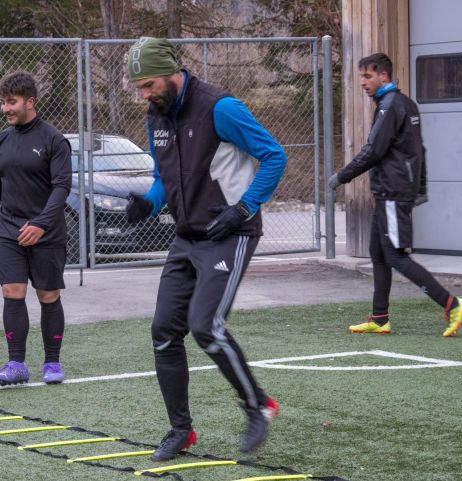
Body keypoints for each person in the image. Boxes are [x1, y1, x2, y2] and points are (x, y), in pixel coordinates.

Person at [124, 37, 287, 460]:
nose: (144, 94)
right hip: (186, 237)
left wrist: (243, 208)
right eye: (139, 87)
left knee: (205, 327)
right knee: (163, 332)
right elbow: (165, 178)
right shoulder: (156, 115)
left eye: (149, 84)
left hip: (230, 234)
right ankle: (181, 431)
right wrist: (149, 203)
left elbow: (274, 156)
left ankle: (260, 406)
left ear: (171, 71)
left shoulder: (221, 108)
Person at [328, 53, 462, 336]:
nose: (363, 83)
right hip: (391, 190)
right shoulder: (405, 104)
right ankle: (380, 318)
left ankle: (451, 303)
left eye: (368, 76)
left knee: (395, 256)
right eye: (361, 77)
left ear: (384, 76)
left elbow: (373, 150)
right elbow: (420, 150)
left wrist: (342, 177)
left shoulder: (390, 106)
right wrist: (420, 187)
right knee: (378, 254)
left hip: (393, 192)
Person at [0, 71, 72, 386]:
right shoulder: (0, 140)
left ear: (30, 101)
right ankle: (16, 364)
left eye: (11, 102)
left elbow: (61, 187)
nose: (5, 109)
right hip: (9, 229)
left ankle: (52, 363)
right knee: (12, 291)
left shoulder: (54, 140)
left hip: (46, 230)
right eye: (3, 103)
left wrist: (41, 224)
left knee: (47, 295)